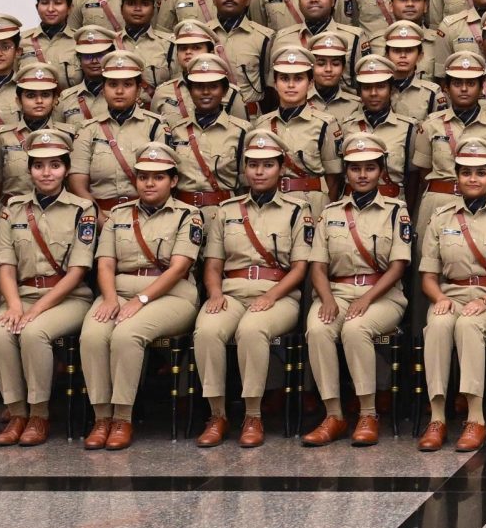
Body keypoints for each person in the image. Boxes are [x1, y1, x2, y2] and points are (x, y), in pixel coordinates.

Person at [192, 131, 315, 447]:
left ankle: (252, 415)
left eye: (267, 165)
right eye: (253, 165)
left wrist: (270, 296)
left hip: (279, 293)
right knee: (206, 330)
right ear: (244, 169)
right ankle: (217, 414)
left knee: (251, 330)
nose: (259, 172)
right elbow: (213, 264)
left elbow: (300, 268)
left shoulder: (297, 210)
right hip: (231, 292)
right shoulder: (227, 210)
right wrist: (215, 293)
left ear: (280, 168)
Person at [79, 143, 204, 451]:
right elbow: (105, 262)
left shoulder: (189, 215)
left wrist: (141, 300)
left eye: (158, 177)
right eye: (143, 176)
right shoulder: (119, 214)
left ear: (173, 181)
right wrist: (108, 298)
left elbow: (178, 269)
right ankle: (101, 417)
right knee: (93, 334)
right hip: (119, 292)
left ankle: (123, 417)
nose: (149, 183)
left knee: (127, 335)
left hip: (171, 296)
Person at [0, 129, 95, 447]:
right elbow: (4, 264)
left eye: (55, 165)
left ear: (66, 169)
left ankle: (39, 415)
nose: (47, 173)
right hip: (23, 294)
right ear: (29, 169)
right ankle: (16, 413)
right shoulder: (12, 209)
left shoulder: (82, 210)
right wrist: (15, 306)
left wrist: (34, 311)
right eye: (39, 165)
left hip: (68, 298)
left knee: (34, 332)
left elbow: (77, 272)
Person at [417, 138, 486, 452]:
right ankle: (438, 417)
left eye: (481, 172)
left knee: (468, 326)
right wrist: (439, 298)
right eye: (466, 172)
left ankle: (475, 418)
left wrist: (485, 301)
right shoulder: (441, 217)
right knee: (438, 326)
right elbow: (428, 277)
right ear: (457, 177)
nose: (473, 179)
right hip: (451, 296)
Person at [301, 146, 415, 447]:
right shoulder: (330, 212)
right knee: (318, 329)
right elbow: (318, 265)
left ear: (381, 171)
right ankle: (334, 414)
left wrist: (367, 299)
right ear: (346, 173)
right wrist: (326, 299)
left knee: (355, 328)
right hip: (336, 292)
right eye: (355, 169)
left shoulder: (396, 210)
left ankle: (367, 413)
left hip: (382, 295)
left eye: (370, 168)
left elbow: (398, 265)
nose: (362, 175)